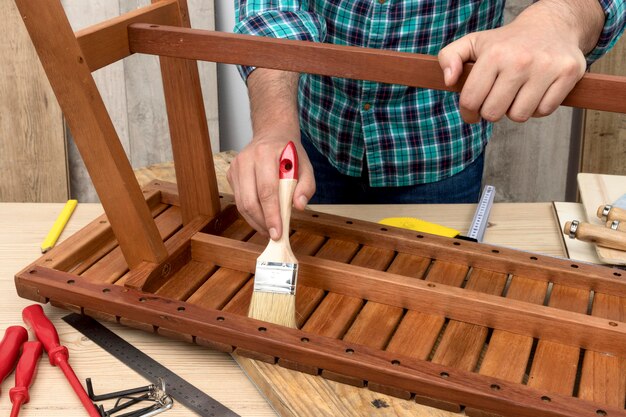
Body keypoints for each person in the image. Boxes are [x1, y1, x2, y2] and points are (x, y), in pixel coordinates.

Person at [228, 0, 626, 240]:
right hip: (316, 140)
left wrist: (557, 20)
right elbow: (273, 4)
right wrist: (275, 126)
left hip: (439, 151)